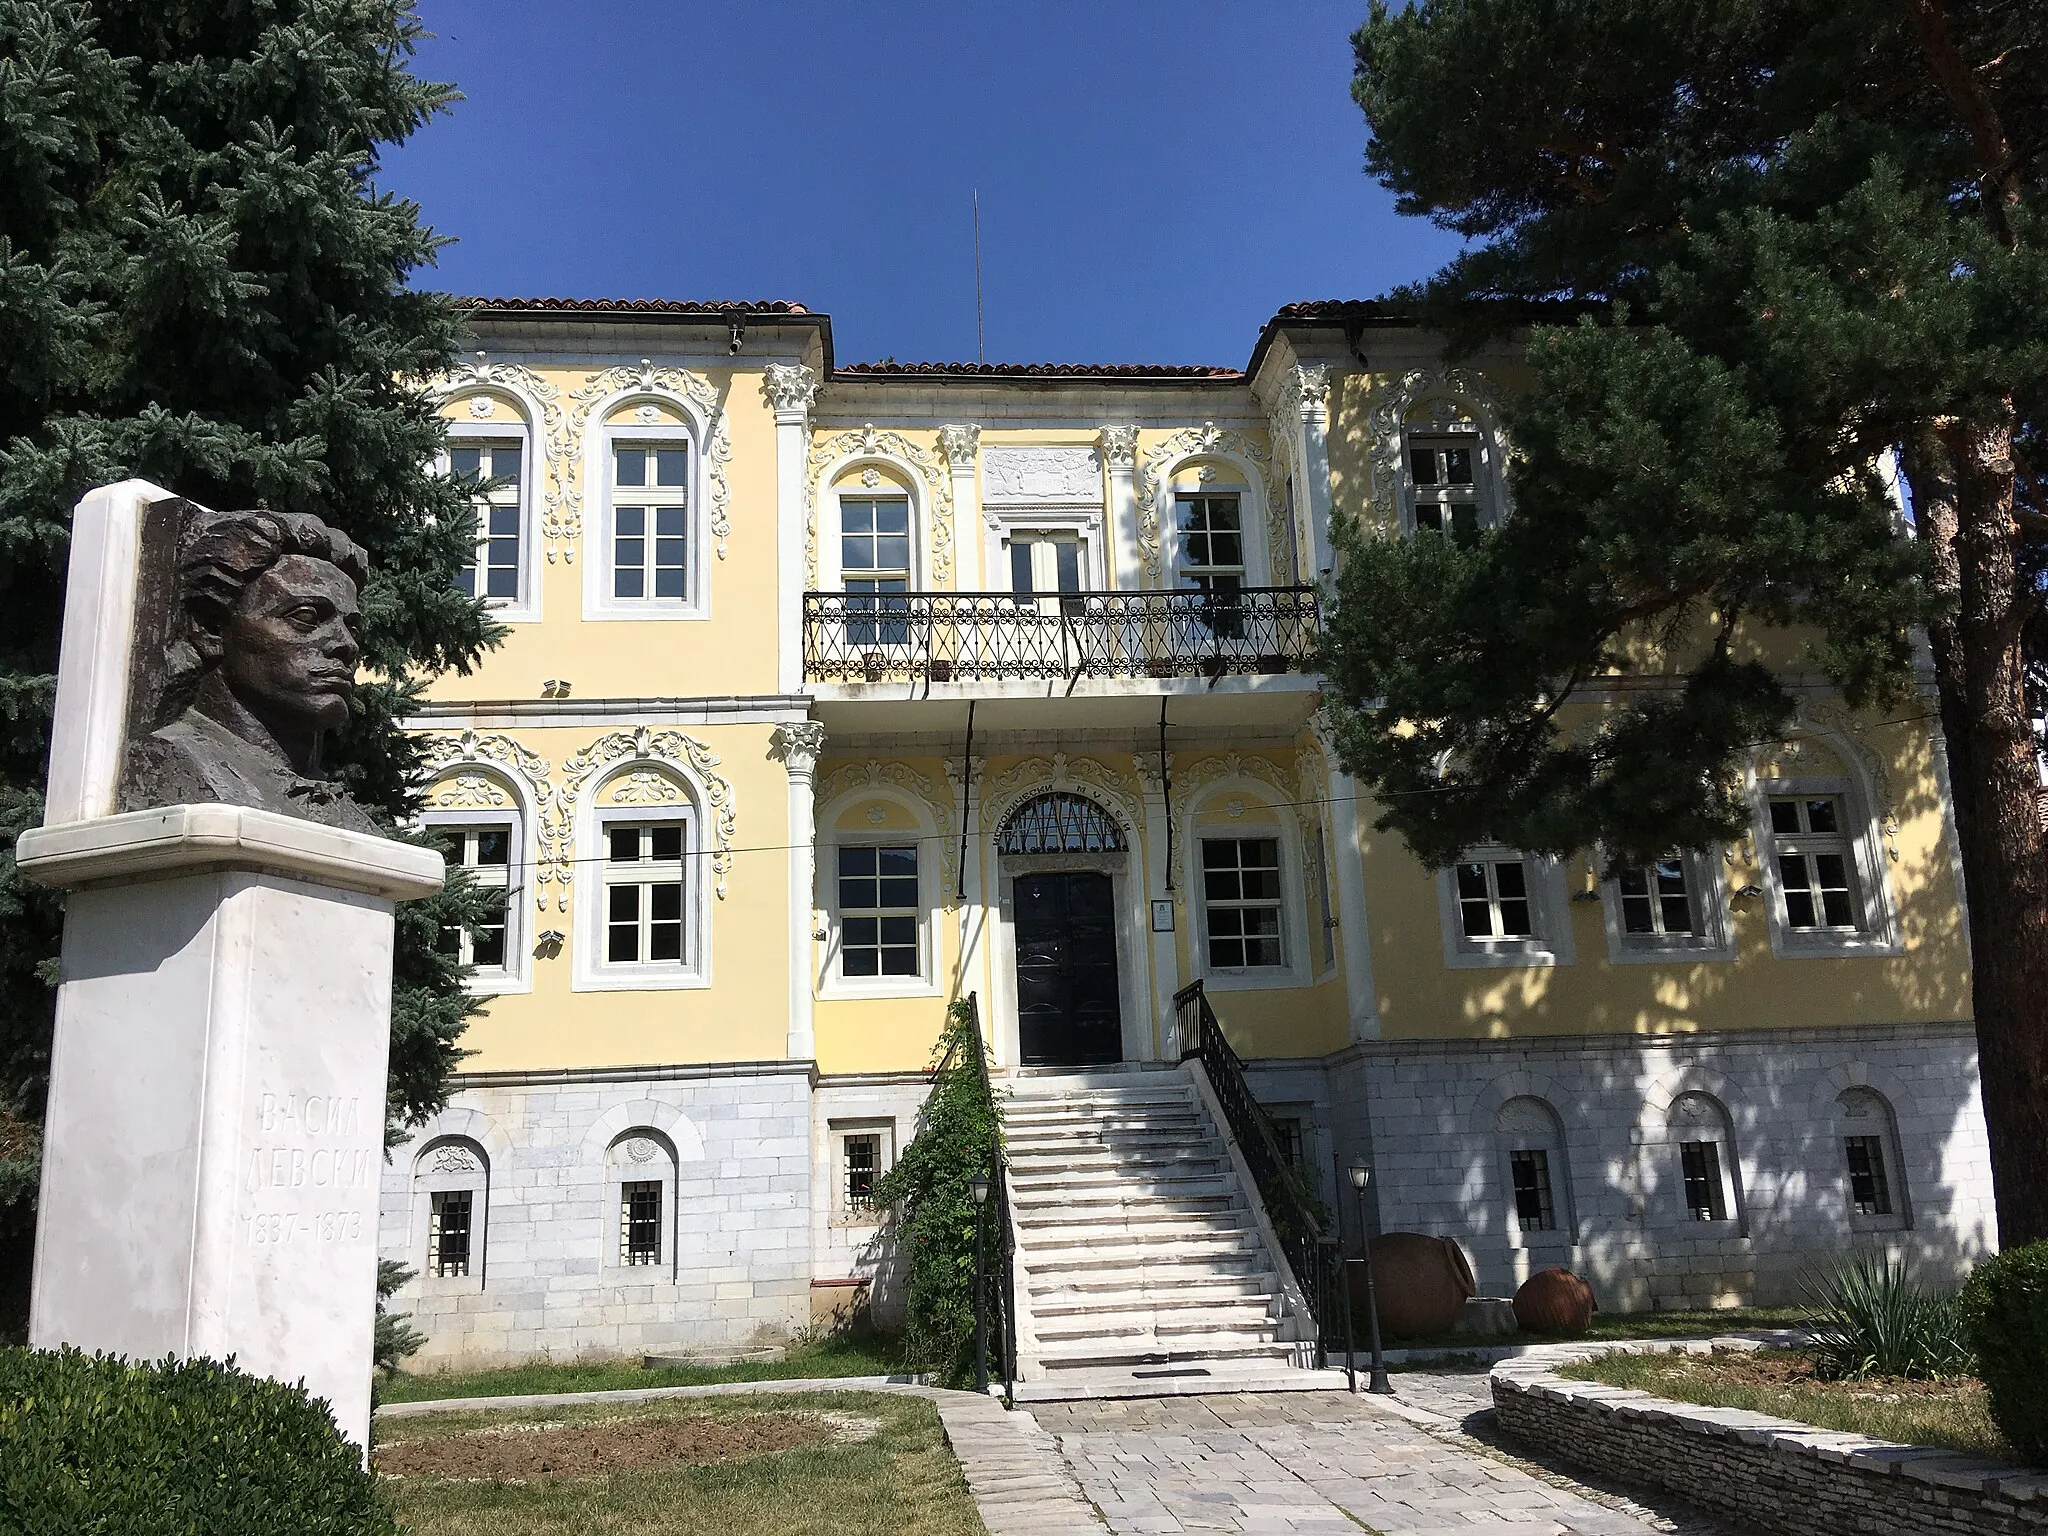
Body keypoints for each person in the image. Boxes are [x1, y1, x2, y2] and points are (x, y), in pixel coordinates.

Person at [120, 507, 380, 832]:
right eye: (306, 617)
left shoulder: (349, 818)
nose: (347, 645)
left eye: (352, 629)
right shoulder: (174, 764)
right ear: (211, 629)